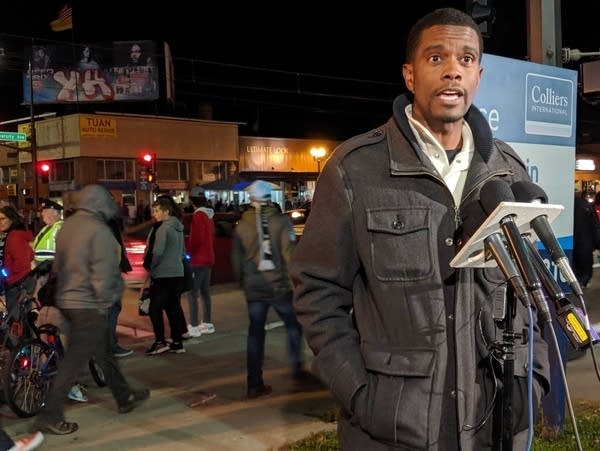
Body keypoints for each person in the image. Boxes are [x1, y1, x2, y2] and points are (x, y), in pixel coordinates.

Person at [290, 8, 551, 450]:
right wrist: (359, 393)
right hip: (393, 430)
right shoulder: (355, 169)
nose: (453, 70)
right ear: (410, 75)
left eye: (466, 59)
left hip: (497, 422)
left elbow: (530, 287)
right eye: (436, 58)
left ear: (479, 75)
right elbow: (316, 291)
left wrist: (537, 376)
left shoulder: (507, 170)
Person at [32, 185, 150, 435]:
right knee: (75, 360)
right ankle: (50, 414)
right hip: (89, 303)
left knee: (103, 351)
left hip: (68, 299)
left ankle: (124, 394)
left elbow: (58, 265)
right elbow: (104, 274)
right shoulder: (99, 231)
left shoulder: (68, 228)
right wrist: (105, 301)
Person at [232, 180, 304, 399]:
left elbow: (236, 257)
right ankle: (297, 374)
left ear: (250, 200)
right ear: (270, 198)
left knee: (255, 334)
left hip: (254, 287)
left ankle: (254, 383)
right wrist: (298, 280)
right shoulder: (281, 222)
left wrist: (242, 281)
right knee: (293, 326)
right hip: (278, 285)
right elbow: (289, 252)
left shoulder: (241, 225)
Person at [142, 195, 187, 355]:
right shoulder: (178, 227)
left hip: (163, 274)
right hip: (177, 272)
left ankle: (160, 341)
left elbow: (158, 253)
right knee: (173, 307)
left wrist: (151, 270)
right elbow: (182, 252)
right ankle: (177, 341)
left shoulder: (163, 229)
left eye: (157, 210)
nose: (154, 214)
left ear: (166, 211)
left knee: (155, 309)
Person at [185, 194, 216, 337]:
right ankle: (208, 323)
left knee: (192, 293)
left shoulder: (197, 216)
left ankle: (194, 325)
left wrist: (188, 251)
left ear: (192, 202)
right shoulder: (209, 215)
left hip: (198, 259)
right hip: (208, 257)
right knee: (205, 292)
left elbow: (196, 239)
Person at [0, 205, 34, 312]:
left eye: (3, 218)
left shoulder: (14, 236)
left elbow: (22, 263)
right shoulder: (12, 235)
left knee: (16, 319)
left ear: (11, 219)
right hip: (16, 283)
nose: (0, 222)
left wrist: (7, 275)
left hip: (16, 284)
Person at [573, 192, 600, 288]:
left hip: (573, 241)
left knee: (575, 263)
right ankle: (583, 282)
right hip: (586, 243)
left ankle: (576, 282)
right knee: (585, 266)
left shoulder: (571, 205)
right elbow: (595, 226)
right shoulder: (588, 207)